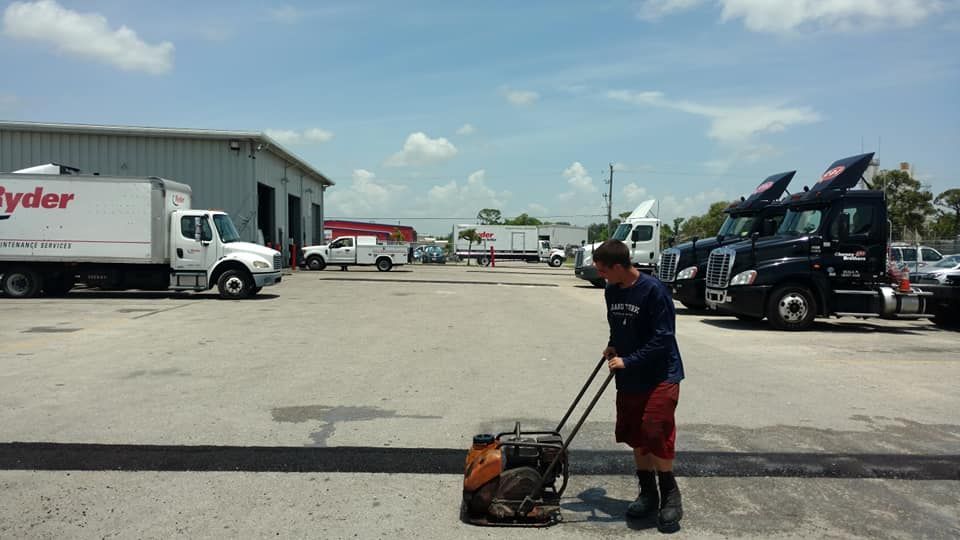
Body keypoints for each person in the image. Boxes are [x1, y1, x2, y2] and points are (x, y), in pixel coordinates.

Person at [592, 240, 685, 532]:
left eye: (604, 271)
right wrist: (613, 345)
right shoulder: (612, 291)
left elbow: (664, 338)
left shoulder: (654, 291)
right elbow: (618, 325)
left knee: (655, 429)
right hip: (630, 375)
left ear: (619, 267)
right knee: (637, 434)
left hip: (660, 374)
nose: (602, 276)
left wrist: (629, 360)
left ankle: (670, 494)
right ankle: (648, 493)